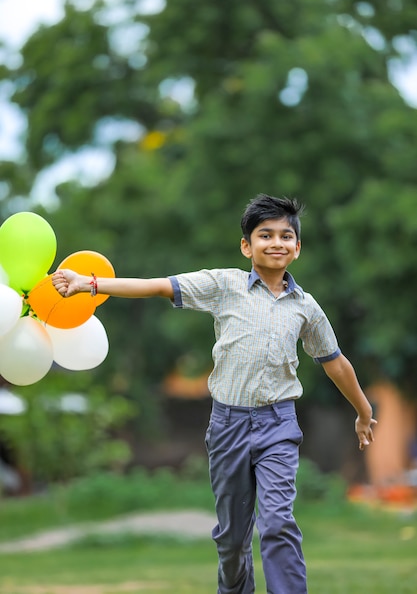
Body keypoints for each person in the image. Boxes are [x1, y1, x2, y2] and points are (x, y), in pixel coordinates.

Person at [52, 194, 376, 594]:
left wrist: (363, 410)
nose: (276, 243)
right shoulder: (224, 285)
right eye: (265, 235)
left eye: (285, 236)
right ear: (247, 246)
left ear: (297, 248)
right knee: (232, 540)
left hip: (279, 424)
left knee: (277, 522)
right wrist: (91, 284)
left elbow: (335, 362)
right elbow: (157, 287)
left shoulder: (306, 308)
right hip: (229, 426)